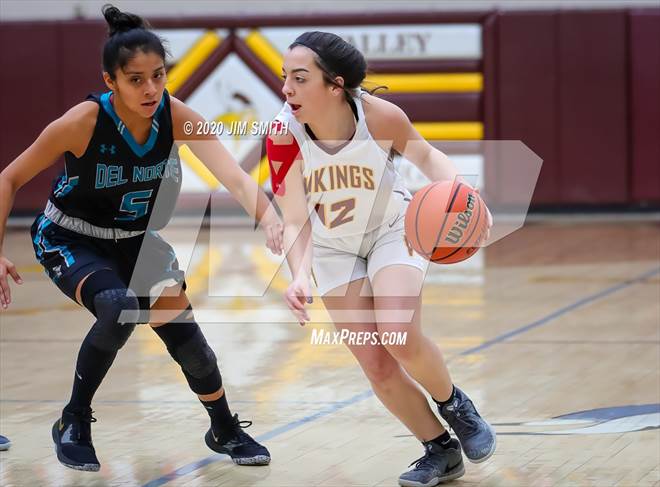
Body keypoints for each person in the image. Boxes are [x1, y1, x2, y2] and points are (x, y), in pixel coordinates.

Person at [0, 5, 283, 472]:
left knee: (187, 337)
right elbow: (8, 178)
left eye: (158, 75)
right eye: (136, 80)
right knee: (118, 308)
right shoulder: (83, 121)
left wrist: (269, 217)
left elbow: (233, 175)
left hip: (135, 239)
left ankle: (224, 428)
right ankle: (73, 420)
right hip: (71, 236)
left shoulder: (176, 115)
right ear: (110, 81)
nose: (150, 88)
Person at [267, 32, 496, 487]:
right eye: (284, 77)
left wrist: (465, 195)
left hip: (392, 230)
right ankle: (440, 450)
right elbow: (294, 219)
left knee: (399, 334)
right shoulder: (282, 135)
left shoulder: (378, 116)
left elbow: (427, 155)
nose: (286, 89)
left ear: (336, 85)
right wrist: (298, 276)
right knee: (376, 364)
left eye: (299, 78)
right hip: (333, 248)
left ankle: (455, 405)